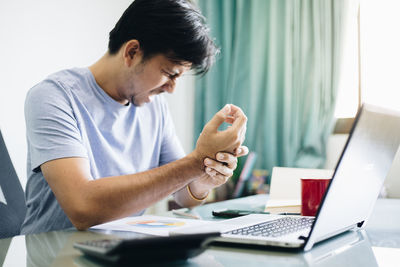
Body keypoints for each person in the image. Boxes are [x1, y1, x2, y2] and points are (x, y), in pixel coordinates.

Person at [20, 0, 248, 235]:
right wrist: (196, 161)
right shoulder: (54, 96)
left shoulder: (155, 106)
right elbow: (83, 208)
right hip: (52, 253)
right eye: (169, 74)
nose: (171, 89)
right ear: (131, 52)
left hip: (122, 251)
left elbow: (184, 194)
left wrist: (207, 172)